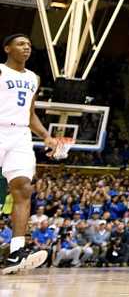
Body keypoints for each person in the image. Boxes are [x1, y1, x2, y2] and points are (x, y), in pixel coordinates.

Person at [1, 34, 57, 274]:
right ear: (7, 48)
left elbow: (30, 113)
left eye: (29, 45)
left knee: (24, 188)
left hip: (21, 135)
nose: (26, 48)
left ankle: (16, 251)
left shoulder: (34, 78)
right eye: (21, 44)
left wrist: (46, 135)